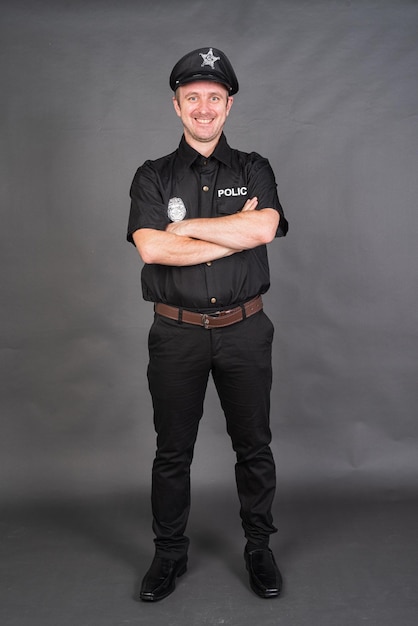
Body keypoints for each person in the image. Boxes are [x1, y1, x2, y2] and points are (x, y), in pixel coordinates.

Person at [127, 46, 288, 602]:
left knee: (255, 446)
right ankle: (169, 554)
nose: (203, 107)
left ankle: (259, 548)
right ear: (176, 106)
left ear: (229, 106)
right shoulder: (152, 175)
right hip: (176, 334)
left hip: (245, 330)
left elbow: (263, 230)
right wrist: (224, 230)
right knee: (173, 451)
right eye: (191, 97)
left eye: (213, 98)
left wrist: (185, 234)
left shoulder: (254, 168)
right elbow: (151, 250)